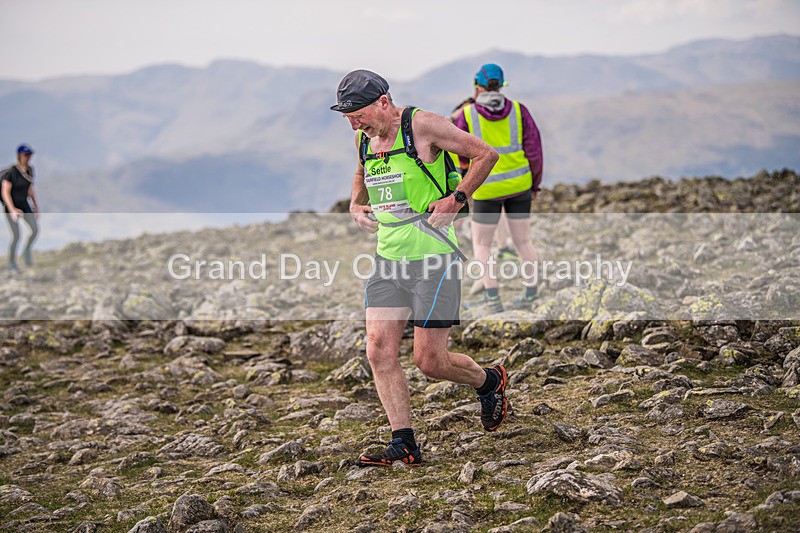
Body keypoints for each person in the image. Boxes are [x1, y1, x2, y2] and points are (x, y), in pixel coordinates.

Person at [331, 69, 509, 467]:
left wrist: (458, 198)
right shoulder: (364, 137)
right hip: (388, 258)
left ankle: (490, 381)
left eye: (358, 114)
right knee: (378, 350)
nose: (354, 123)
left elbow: (486, 154)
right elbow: (362, 170)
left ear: (383, 101)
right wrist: (355, 203)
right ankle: (403, 442)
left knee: (430, 363)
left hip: (434, 258)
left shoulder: (422, 125)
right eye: (347, 117)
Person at [455, 64, 543, 312]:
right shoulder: (518, 110)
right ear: (502, 85)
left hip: (486, 189)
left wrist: (465, 177)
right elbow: (534, 151)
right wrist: (534, 183)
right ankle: (530, 294)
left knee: (482, 244)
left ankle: (493, 299)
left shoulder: (468, 114)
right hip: (519, 185)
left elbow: (459, 151)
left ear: (477, 85)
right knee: (523, 241)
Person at [1, 144, 40, 270]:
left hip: (24, 204)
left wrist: (36, 206)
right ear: (19, 156)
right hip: (11, 207)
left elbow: (30, 190)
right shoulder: (10, 173)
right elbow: (5, 192)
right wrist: (11, 209)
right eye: (25, 155)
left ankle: (26, 251)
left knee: (34, 230)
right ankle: (11, 262)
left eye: (29, 155)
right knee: (16, 235)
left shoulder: (29, 170)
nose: (28, 158)